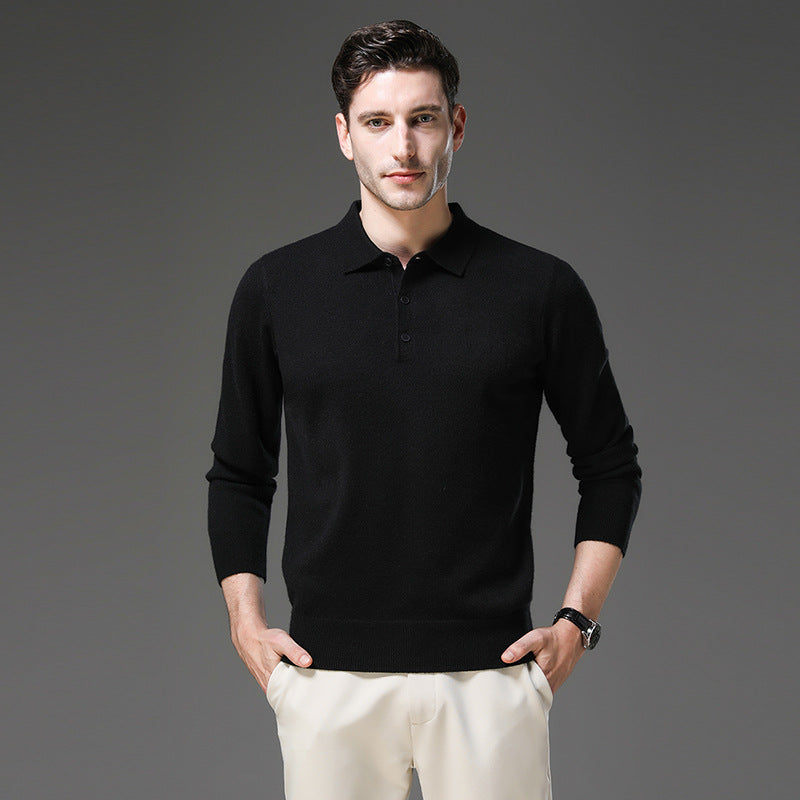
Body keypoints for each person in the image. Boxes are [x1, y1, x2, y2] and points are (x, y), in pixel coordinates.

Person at [205, 18, 642, 800]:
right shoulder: (277, 289)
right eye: (377, 122)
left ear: (457, 127)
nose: (402, 146)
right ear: (344, 135)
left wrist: (577, 623)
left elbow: (610, 466)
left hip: (492, 679)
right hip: (327, 680)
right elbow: (239, 471)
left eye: (423, 119)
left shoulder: (539, 289)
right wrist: (245, 620)